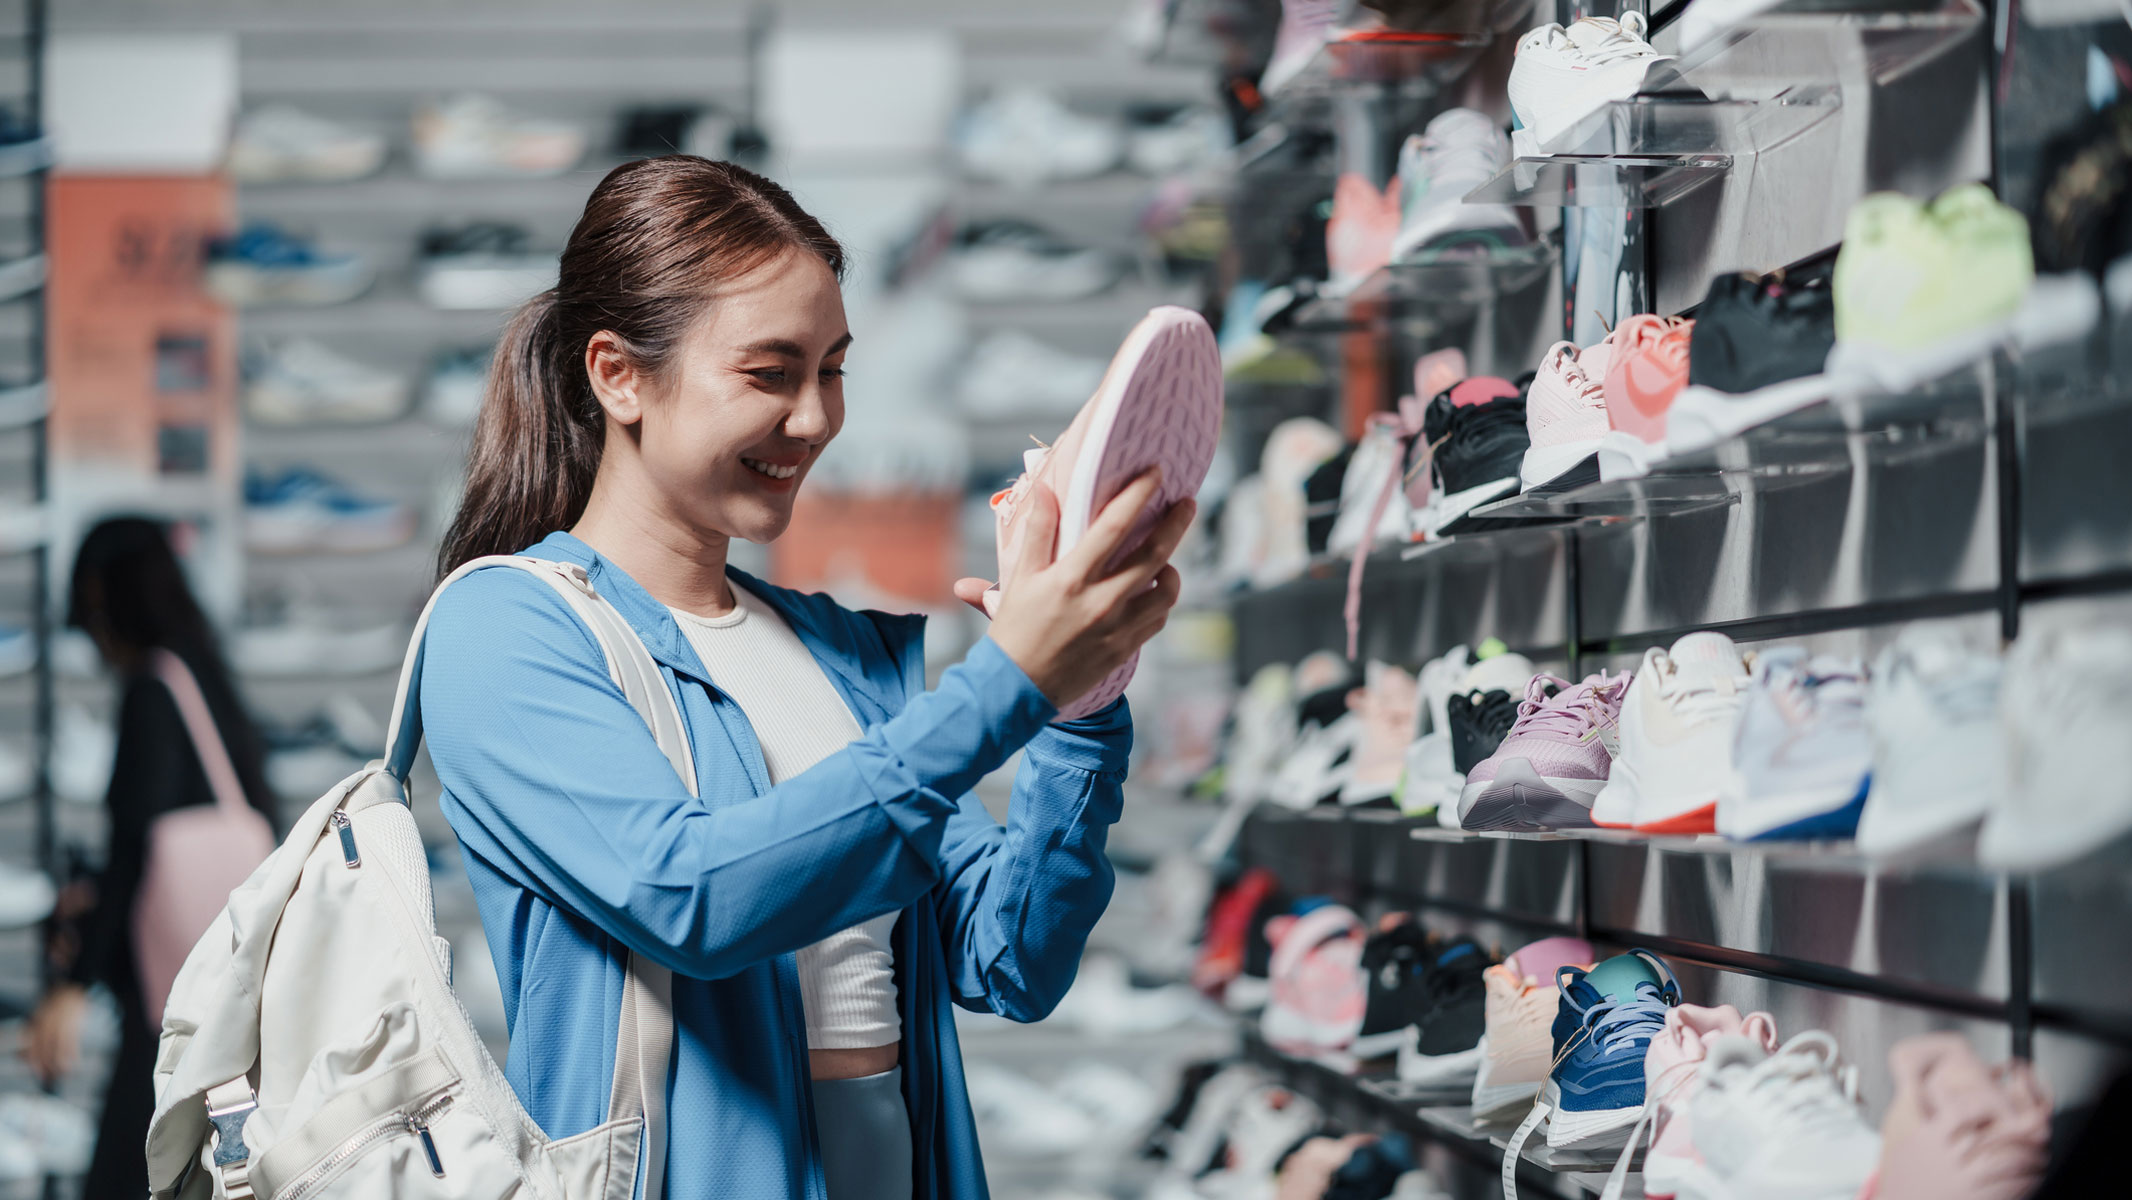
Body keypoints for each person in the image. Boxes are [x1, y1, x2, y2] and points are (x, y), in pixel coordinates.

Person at [420, 154, 1192, 1200]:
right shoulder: (504, 625)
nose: (816, 418)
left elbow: (1007, 958)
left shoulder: (837, 651)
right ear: (618, 374)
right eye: (770, 372)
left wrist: (1078, 710)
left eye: (831, 368)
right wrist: (1008, 680)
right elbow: (692, 896)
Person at [24, 517, 278, 1197]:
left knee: (126, 1172)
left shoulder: (153, 692)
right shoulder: (206, 684)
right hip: (229, 1006)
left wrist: (74, 985)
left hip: (171, 1009)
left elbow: (137, 849)